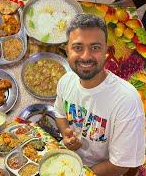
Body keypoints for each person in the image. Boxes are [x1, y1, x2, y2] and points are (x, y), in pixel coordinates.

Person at [54, 13, 145, 176]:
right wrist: (66, 132)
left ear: (106, 52)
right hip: (67, 162)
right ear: (67, 51)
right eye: (77, 47)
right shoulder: (65, 81)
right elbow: (59, 113)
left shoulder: (126, 100)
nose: (86, 56)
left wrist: (80, 173)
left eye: (95, 47)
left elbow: (120, 165)